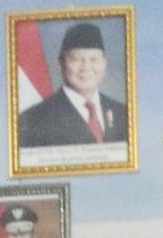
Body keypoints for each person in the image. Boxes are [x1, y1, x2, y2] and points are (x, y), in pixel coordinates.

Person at [16, 20, 129, 149]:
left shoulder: (123, 113)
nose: (86, 67)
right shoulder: (33, 120)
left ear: (104, 63)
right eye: (76, 59)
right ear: (61, 64)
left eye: (94, 59)